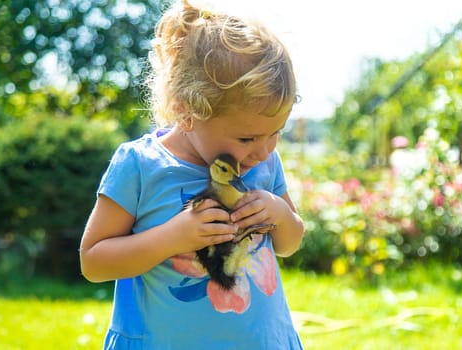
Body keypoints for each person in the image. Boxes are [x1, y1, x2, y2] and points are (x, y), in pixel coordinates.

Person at [79, 0, 304, 348]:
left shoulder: (263, 164)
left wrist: (278, 212)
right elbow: (94, 261)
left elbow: (290, 244)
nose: (264, 150)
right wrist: (174, 236)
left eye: (276, 132)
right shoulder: (140, 165)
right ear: (187, 112)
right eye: (247, 138)